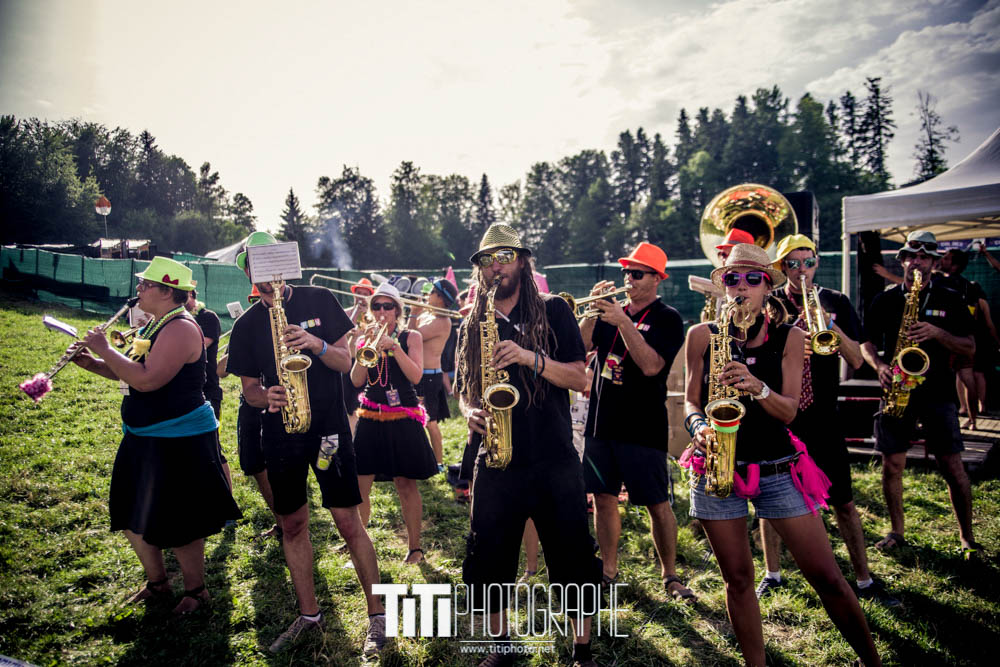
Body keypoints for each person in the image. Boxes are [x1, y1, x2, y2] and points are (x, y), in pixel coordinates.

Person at [682, 244, 880, 666]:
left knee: (827, 577)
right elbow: (689, 401)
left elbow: (789, 410)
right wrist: (698, 427)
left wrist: (757, 387)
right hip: (718, 469)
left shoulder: (792, 337)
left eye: (753, 278)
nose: (741, 286)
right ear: (721, 285)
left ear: (768, 287)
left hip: (776, 467)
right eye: (731, 278)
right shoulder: (702, 336)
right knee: (737, 579)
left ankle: (871, 661)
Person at [225, 232, 386, 656]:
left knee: (348, 521)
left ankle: (377, 615)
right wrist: (266, 396)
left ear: (282, 268)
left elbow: (345, 361)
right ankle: (309, 615)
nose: (264, 284)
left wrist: (315, 344)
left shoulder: (318, 300)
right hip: (280, 432)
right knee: (292, 524)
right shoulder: (245, 325)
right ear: (248, 274)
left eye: (268, 273)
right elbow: (248, 391)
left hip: (329, 428)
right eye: (254, 275)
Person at [456, 224, 603, 667]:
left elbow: (580, 379)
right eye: (486, 260)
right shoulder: (473, 321)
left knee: (573, 553)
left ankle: (582, 651)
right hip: (497, 458)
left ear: (522, 260)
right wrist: (469, 413)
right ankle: (502, 649)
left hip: (554, 457)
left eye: (503, 256)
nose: (494, 266)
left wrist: (527, 357)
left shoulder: (554, 310)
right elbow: (465, 388)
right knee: (489, 552)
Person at [70, 256, 240, 615]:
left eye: (146, 284)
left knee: (180, 520)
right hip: (144, 436)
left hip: (178, 440)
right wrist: (94, 363)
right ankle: (158, 583)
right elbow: (134, 373)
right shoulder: (155, 324)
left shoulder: (180, 328)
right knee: (132, 508)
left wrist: (105, 348)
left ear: (167, 291)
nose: (139, 288)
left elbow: (149, 380)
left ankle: (195, 591)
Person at [757, 234, 898, 605]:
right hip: (782, 416)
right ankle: (773, 574)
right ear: (782, 267)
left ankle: (864, 580)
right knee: (770, 501)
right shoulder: (771, 304)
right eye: (793, 263)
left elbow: (854, 359)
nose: (802, 270)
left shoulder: (835, 301)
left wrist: (828, 327)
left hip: (823, 417)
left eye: (809, 262)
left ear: (817, 263)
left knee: (844, 503)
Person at [578, 242, 693, 601]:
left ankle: (670, 575)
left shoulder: (667, 318)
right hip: (601, 422)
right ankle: (609, 571)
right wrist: (590, 315)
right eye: (626, 272)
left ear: (657, 279)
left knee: (656, 502)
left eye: (637, 273)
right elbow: (578, 349)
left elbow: (651, 366)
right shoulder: (611, 313)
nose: (629, 279)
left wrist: (624, 322)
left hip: (642, 426)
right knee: (603, 497)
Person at [860, 230, 980, 557]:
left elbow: (969, 346)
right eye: (911, 256)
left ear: (934, 261)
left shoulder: (951, 297)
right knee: (891, 465)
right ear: (901, 261)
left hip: (938, 391)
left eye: (924, 257)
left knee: (952, 465)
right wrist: (881, 366)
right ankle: (897, 530)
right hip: (897, 389)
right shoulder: (885, 299)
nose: (917, 262)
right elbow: (866, 344)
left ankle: (966, 537)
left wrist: (938, 333)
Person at [350, 282, 439, 565]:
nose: (382, 311)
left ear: (397, 310)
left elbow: (415, 376)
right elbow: (355, 380)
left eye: (388, 306)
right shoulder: (366, 337)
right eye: (377, 306)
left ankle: (415, 548)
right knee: (361, 482)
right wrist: (362, 345)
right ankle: (359, 543)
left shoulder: (410, 335)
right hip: (370, 413)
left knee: (405, 484)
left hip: (403, 415)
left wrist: (395, 347)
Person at [220, 285, 281, 541]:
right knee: (255, 464)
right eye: (254, 300)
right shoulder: (246, 328)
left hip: (279, 403)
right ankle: (281, 522)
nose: (259, 305)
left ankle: (289, 522)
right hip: (252, 403)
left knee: (279, 467)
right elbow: (220, 371)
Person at [935, 248, 998, 430]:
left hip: (951, 339)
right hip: (963, 337)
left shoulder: (940, 282)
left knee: (964, 377)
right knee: (966, 377)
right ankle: (973, 419)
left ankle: (967, 415)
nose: (942, 260)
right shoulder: (968, 286)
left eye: (946, 258)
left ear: (954, 265)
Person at [409, 277, 460, 471]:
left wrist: (414, 314)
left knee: (430, 422)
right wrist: (416, 314)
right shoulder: (430, 316)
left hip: (429, 377)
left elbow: (410, 336)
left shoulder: (442, 321)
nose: (427, 295)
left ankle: (438, 463)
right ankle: (422, 458)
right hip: (421, 374)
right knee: (417, 420)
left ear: (439, 298)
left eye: (432, 292)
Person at [184, 287, 232, 491]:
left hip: (208, 390)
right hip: (183, 392)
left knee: (213, 447)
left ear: (193, 296)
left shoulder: (207, 317)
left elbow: (196, 346)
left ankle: (227, 500)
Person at [343, 278, 375, 436]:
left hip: (361, 363)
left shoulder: (372, 318)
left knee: (358, 407)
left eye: (365, 294)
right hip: (346, 363)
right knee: (347, 408)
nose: (361, 297)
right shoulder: (346, 313)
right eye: (359, 293)